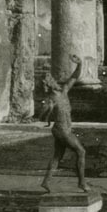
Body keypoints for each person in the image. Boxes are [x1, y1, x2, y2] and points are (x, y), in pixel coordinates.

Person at [39, 54, 88, 193]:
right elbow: (41, 117)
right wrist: (48, 111)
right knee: (81, 151)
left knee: (58, 156)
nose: (54, 81)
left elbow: (74, 77)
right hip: (62, 130)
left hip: (62, 129)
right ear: (48, 85)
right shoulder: (51, 99)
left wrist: (79, 64)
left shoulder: (64, 91)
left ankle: (46, 182)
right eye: (50, 80)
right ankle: (82, 183)